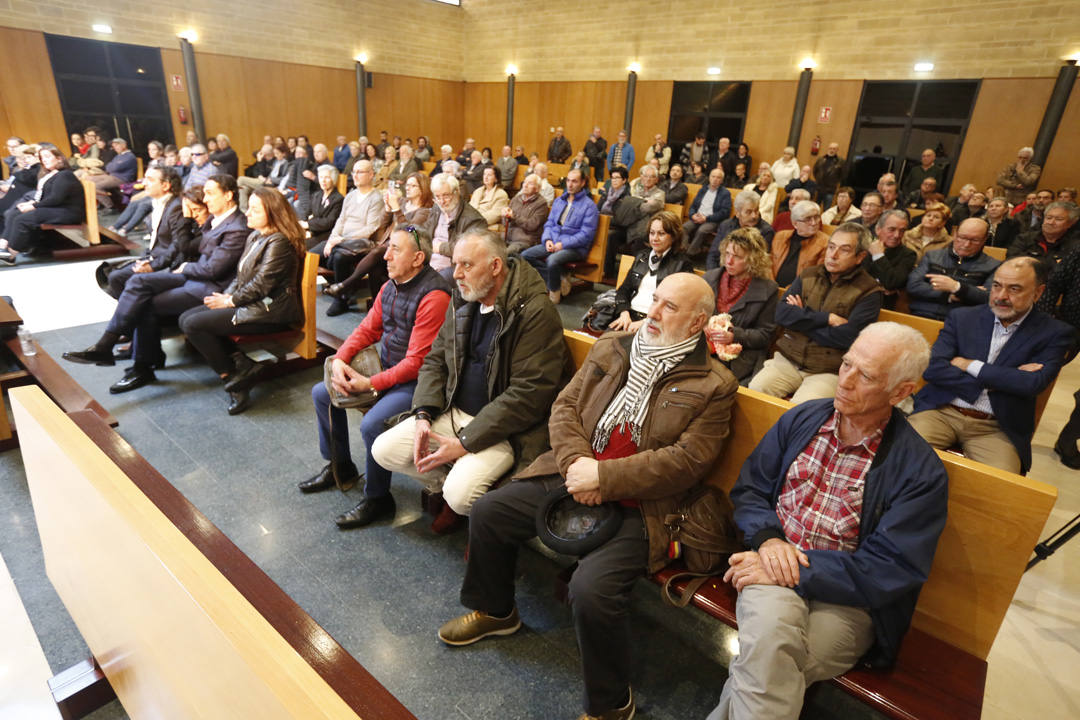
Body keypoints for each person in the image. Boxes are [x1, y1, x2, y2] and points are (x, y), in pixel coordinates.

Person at [438, 272, 737, 720]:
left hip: (646, 506)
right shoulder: (612, 348)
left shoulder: (714, 384)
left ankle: (611, 704)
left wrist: (605, 477)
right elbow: (565, 407)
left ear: (697, 323)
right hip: (574, 471)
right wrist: (580, 466)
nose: (652, 313)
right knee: (490, 510)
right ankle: (496, 612)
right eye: (655, 301)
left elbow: (687, 463)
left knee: (591, 589)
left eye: (669, 308)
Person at [708, 322, 947, 720]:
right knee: (771, 657)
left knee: (767, 664)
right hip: (773, 566)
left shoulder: (919, 470)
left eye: (865, 375)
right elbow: (750, 490)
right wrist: (768, 541)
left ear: (902, 391)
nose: (845, 380)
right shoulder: (803, 419)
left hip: (849, 599)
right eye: (847, 363)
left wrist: (797, 569)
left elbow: (891, 568)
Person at [370, 229, 570, 531]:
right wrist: (423, 413)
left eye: (466, 265)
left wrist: (465, 443)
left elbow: (528, 395)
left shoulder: (535, 312)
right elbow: (435, 359)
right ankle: (447, 484)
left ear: (495, 266)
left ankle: (472, 510)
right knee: (384, 450)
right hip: (453, 411)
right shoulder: (464, 299)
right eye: (455, 264)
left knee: (461, 495)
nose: (456, 274)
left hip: (505, 431)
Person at [302, 226, 452, 527]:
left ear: (418, 258)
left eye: (396, 249)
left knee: (373, 424)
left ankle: (378, 497)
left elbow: (416, 364)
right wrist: (341, 360)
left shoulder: (434, 296)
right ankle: (339, 466)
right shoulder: (390, 285)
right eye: (388, 247)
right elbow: (368, 329)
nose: (386, 255)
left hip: (419, 383)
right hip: (388, 369)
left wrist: (370, 383)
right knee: (322, 393)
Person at [62, 174, 248, 393]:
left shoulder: (236, 226)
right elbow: (188, 247)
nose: (205, 199)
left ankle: (136, 362)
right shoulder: (217, 219)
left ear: (228, 195)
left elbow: (213, 269)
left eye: (210, 193)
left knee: (145, 303)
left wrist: (184, 266)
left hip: (209, 286)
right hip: (195, 276)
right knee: (138, 282)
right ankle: (114, 348)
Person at [908, 257, 1075, 475]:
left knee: (1001, 490)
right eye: (996, 286)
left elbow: (1032, 384)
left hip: (997, 426)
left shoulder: (1054, 332)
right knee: (902, 458)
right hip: (941, 410)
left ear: (1038, 293)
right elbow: (934, 369)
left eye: (1014, 289)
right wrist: (1007, 378)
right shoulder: (962, 317)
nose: (1001, 296)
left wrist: (970, 365)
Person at [177, 187, 305, 414]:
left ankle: (235, 379)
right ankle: (241, 367)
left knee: (193, 324)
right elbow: (241, 276)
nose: (248, 213)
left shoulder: (280, 243)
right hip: (255, 304)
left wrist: (231, 302)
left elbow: (262, 284)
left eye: (255, 210)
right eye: (249, 208)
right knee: (186, 317)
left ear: (273, 212)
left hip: (273, 312)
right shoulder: (257, 235)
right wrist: (226, 296)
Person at [750, 223, 882, 403]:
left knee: (801, 409)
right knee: (756, 391)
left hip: (828, 369)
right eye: (831, 247)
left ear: (860, 257)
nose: (833, 255)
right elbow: (781, 314)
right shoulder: (808, 274)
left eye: (844, 250)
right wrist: (827, 318)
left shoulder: (869, 291)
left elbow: (848, 337)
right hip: (788, 358)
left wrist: (800, 319)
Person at [324, 171, 436, 303]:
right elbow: (382, 226)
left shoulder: (424, 211)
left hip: (404, 249)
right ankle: (378, 306)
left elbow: (408, 232)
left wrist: (396, 209)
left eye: (413, 186)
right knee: (374, 267)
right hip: (387, 244)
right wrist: (388, 210)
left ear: (422, 189)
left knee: (379, 251)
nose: (407, 188)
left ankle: (346, 285)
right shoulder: (402, 201)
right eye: (407, 184)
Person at [99, 168, 190, 299]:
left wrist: (152, 265)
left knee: (117, 278)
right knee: (110, 273)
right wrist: (145, 258)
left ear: (165, 185)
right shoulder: (158, 203)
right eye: (145, 178)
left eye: (150, 179)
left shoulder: (176, 207)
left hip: (168, 263)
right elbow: (156, 239)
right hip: (153, 257)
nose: (144, 183)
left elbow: (178, 244)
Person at [703, 228, 779, 384]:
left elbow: (765, 336)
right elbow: (692, 313)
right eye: (728, 254)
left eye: (737, 257)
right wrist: (703, 326)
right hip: (703, 348)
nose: (729, 261)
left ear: (753, 259)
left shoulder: (768, 289)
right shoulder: (710, 278)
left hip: (739, 359)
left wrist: (734, 335)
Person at [311, 160, 385, 315]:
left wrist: (341, 240)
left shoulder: (376, 198)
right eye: (354, 172)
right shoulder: (350, 196)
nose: (355, 175)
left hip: (361, 243)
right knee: (310, 255)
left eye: (360, 172)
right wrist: (332, 239)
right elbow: (340, 220)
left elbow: (370, 229)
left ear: (371, 175)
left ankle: (341, 299)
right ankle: (344, 288)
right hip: (340, 241)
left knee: (338, 257)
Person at [608, 210, 695, 332]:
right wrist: (624, 313)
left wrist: (645, 322)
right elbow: (623, 290)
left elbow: (677, 306)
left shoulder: (682, 264)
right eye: (652, 233)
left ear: (674, 236)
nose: (655, 238)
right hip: (629, 316)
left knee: (622, 347)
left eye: (661, 234)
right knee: (603, 345)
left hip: (656, 323)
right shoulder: (642, 257)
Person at [521, 169, 599, 304]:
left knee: (552, 260)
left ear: (583, 183)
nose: (570, 184)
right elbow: (549, 224)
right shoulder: (559, 201)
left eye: (574, 181)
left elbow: (586, 235)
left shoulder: (589, 206)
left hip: (575, 248)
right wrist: (547, 240)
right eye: (568, 180)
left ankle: (554, 293)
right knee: (525, 256)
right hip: (554, 242)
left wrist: (563, 244)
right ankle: (559, 279)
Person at [0, 146, 84, 265]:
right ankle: (3, 246)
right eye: (42, 157)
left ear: (59, 159)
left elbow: (56, 199)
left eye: (47, 156)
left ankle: (11, 254)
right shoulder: (53, 175)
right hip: (57, 209)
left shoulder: (65, 175)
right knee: (15, 212)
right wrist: (32, 203)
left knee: (22, 219)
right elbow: (47, 197)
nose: (44, 160)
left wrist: (34, 206)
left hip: (68, 212)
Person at [1036, 247, 1080, 468]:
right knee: (1040, 373)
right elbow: (1054, 284)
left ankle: (1068, 441)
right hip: (1072, 323)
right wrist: (1046, 321)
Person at [907, 218, 1000, 321]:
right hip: (921, 314)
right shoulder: (932, 256)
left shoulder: (993, 265)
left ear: (984, 239)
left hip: (962, 321)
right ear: (955, 234)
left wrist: (957, 287)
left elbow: (989, 297)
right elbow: (913, 286)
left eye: (975, 240)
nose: (966, 244)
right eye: (963, 237)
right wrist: (951, 294)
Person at [424, 172, 487, 273]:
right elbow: (425, 232)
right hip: (428, 260)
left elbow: (467, 250)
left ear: (457, 192)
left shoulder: (473, 219)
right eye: (437, 197)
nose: (442, 201)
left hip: (453, 267)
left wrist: (439, 247)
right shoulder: (437, 208)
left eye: (446, 196)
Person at [705, 190, 776, 271]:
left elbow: (757, 264)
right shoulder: (726, 225)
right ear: (737, 213)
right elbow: (713, 255)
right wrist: (714, 276)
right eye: (748, 212)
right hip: (722, 271)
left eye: (756, 211)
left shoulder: (766, 231)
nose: (754, 216)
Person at [864, 210, 916, 310]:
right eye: (891, 229)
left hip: (883, 304)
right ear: (878, 229)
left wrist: (878, 256)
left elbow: (891, 282)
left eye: (902, 231)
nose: (897, 235)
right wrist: (877, 287)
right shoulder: (864, 248)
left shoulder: (908, 255)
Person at [1007, 200, 1080, 272]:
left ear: (1071, 223)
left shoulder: (1075, 246)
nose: (1051, 222)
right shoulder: (1025, 238)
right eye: (1048, 218)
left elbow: (1066, 271)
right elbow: (1011, 260)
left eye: (1058, 219)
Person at [770, 201, 828, 287]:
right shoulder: (780, 236)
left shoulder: (825, 242)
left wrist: (792, 290)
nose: (814, 223)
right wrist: (771, 284)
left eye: (816, 217)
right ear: (795, 223)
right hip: (771, 288)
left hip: (799, 293)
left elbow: (818, 276)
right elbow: (767, 263)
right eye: (808, 219)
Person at [684, 168, 732, 257]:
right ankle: (683, 249)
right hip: (697, 217)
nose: (715, 179)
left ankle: (689, 254)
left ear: (721, 180)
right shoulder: (703, 189)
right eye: (713, 176)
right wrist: (692, 215)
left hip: (711, 220)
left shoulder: (725, 193)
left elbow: (725, 212)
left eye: (718, 177)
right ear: (709, 177)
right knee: (684, 228)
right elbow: (693, 206)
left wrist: (707, 218)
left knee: (702, 230)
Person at [503, 173, 550, 255]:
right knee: (488, 247)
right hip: (508, 237)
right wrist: (504, 215)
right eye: (524, 182)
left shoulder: (541, 204)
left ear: (537, 189)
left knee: (505, 254)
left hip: (525, 240)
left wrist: (514, 216)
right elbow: (504, 223)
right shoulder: (516, 199)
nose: (525, 185)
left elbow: (532, 225)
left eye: (530, 183)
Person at [302, 165, 344, 250]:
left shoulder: (339, 199)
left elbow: (328, 222)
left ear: (333, 179)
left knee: (302, 246)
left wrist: (308, 225)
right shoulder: (316, 195)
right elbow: (306, 214)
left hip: (325, 236)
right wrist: (305, 228)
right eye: (321, 177)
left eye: (327, 177)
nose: (323, 181)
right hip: (312, 231)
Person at [469, 166, 509, 231]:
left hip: (487, 227)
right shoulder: (477, 191)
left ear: (496, 178)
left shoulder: (501, 194)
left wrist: (473, 220)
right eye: (484, 174)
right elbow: (468, 208)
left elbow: (494, 216)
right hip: (472, 224)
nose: (486, 177)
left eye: (489, 175)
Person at [812, 142, 846, 208]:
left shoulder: (841, 161)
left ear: (837, 150)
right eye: (830, 148)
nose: (832, 150)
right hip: (818, 188)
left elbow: (843, 175)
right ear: (828, 148)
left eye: (834, 149)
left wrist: (835, 182)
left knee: (827, 209)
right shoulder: (820, 159)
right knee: (815, 207)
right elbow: (815, 171)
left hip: (830, 190)